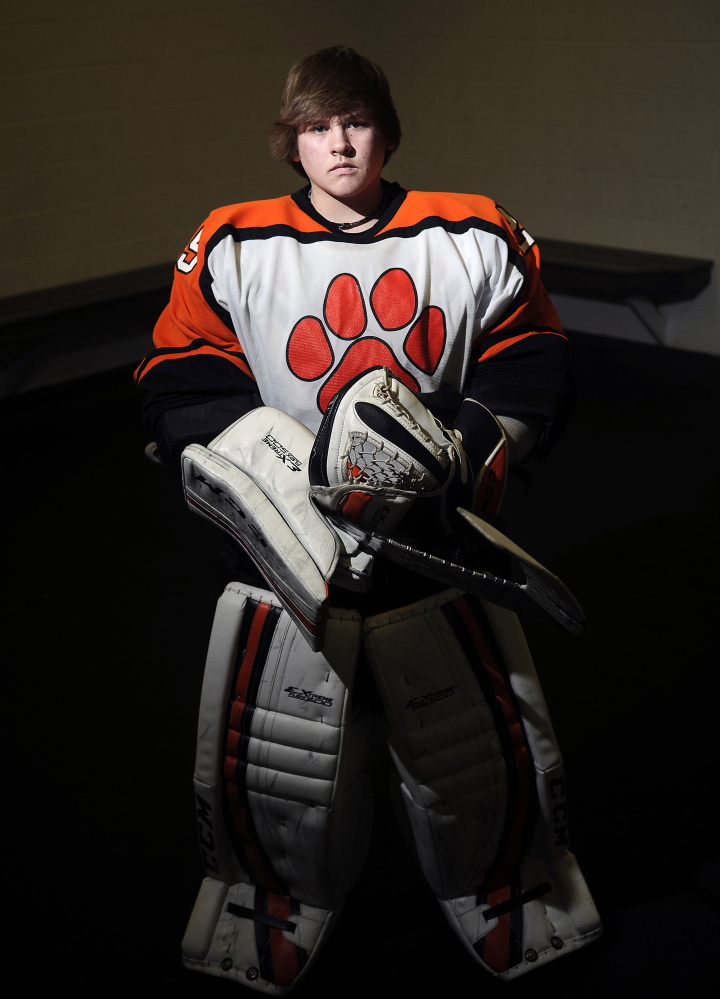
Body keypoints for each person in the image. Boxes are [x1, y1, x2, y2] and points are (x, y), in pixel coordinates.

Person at [137, 45, 601, 994]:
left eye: (355, 121)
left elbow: (533, 350)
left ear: (385, 129)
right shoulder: (231, 241)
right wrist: (265, 478)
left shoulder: (473, 231)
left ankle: (504, 881)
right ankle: (274, 894)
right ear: (291, 143)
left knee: (478, 741)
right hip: (292, 548)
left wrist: (461, 452)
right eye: (317, 126)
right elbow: (180, 374)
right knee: (277, 753)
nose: (339, 142)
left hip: (434, 538)